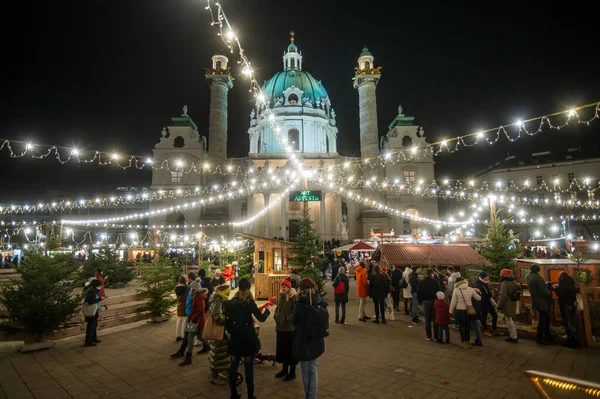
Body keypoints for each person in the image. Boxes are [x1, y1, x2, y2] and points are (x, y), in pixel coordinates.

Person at [223, 278, 271, 399]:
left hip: (235, 340)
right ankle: (250, 395)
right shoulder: (249, 302)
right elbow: (261, 318)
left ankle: (233, 393)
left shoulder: (231, 302)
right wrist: (267, 311)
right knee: (248, 367)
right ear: (249, 288)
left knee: (233, 366)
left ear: (239, 288)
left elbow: (227, 323)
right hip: (247, 339)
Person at [293, 278, 327, 399]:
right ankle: (312, 396)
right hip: (315, 341)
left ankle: (309, 396)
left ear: (301, 289)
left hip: (303, 341)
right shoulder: (317, 300)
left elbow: (294, 320)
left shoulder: (300, 303)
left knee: (305, 371)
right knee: (313, 369)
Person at [274, 277, 298, 381]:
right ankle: (284, 370)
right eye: (282, 286)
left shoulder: (293, 297)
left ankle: (292, 372)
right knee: (283, 350)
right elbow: (279, 308)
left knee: (290, 352)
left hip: (289, 329)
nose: (283, 288)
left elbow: (295, 312)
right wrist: (276, 315)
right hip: (280, 328)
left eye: (285, 287)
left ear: (289, 287)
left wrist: (287, 319)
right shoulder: (281, 295)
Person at [179, 281, 208, 366]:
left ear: (194, 289)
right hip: (195, 319)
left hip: (196, 320)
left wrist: (193, 319)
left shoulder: (198, 297)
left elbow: (201, 310)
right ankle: (207, 346)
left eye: (191, 288)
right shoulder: (197, 295)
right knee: (199, 336)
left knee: (190, 337)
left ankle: (188, 358)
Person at [449, 277, 481, 348]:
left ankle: (464, 341)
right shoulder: (470, 289)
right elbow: (478, 298)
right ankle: (468, 341)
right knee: (467, 326)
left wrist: (450, 311)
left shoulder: (456, 290)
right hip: (468, 311)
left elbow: (453, 302)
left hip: (459, 310)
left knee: (461, 326)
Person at [171, 272, 197, 359]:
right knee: (189, 335)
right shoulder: (188, 288)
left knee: (189, 335)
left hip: (190, 313)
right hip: (189, 312)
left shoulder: (191, 288)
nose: (187, 280)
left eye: (188, 278)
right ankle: (184, 353)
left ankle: (186, 354)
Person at [209, 284, 231, 385]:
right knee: (218, 353)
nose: (230, 293)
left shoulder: (220, 299)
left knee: (222, 352)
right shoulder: (218, 301)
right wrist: (227, 319)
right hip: (219, 330)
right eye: (228, 291)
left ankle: (224, 370)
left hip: (221, 330)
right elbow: (217, 317)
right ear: (225, 292)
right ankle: (215, 376)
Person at [526, 264, 553, 345]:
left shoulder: (528, 277)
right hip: (542, 301)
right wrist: (549, 289)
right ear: (538, 270)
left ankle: (547, 335)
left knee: (545, 318)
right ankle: (540, 338)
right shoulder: (539, 278)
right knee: (543, 320)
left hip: (535, 300)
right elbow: (544, 291)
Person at [554, 272, 578, 347]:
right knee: (571, 322)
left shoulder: (562, 286)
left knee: (566, 323)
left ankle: (571, 341)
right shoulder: (572, 284)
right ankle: (574, 337)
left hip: (564, 305)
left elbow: (561, 295)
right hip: (571, 305)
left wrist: (556, 289)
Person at [496, 269, 519, 343]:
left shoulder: (504, 283)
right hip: (513, 302)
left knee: (509, 320)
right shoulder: (514, 282)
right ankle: (513, 335)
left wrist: (499, 305)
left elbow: (503, 296)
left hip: (507, 303)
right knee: (510, 319)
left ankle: (513, 336)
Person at [417, 268, 440, 340]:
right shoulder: (436, 282)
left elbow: (418, 293)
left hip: (425, 301)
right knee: (435, 319)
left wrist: (420, 302)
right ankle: (436, 336)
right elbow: (439, 292)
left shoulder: (421, 282)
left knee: (427, 319)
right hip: (435, 301)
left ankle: (428, 336)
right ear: (432, 274)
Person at [475, 271, 499, 337]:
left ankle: (494, 329)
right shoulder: (478, 284)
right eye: (486, 277)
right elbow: (483, 294)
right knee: (484, 317)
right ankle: (484, 330)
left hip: (488, 302)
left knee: (495, 315)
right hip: (483, 303)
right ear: (483, 278)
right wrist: (491, 294)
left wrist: (491, 293)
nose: (488, 278)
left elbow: (487, 292)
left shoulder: (485, 283)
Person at [83, 279, 103, 347]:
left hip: (94, 310)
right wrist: (100, 299)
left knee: (94, 325)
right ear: (97, 286)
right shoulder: (92, 292)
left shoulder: (93, 291)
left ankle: (94, 338)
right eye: (100, 286)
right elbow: (91, 301)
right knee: (91, 326)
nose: (101, 287)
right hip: (91, 311)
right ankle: (88, 342)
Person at [175, 276, 188, 341]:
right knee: (184, 321)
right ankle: (183, 335)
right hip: (185, 305)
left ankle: (178, 335)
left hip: (179, 305)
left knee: (179, 320)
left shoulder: (176, 288)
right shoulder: (186, 288)